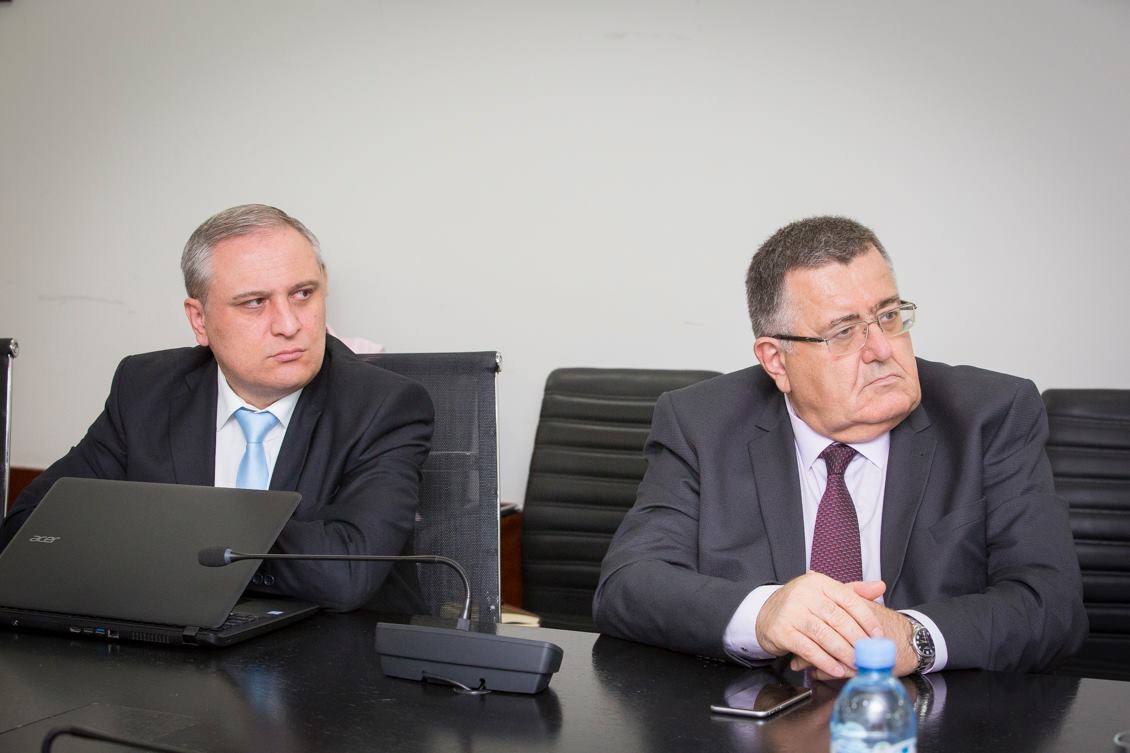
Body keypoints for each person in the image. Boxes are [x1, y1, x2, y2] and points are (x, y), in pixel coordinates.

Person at [594, 216, 1086, 677]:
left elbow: (1051, 604)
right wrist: (764, 614)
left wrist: (911, 638)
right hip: (757, 715)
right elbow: (629, 585)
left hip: (939, 716)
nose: (882, 349)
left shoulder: (989, 415)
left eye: (889, 316)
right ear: (776, 360)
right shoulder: (702, 423)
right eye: (844, 332)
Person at [0, 204, 434, 613]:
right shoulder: (146, 389)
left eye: (303, 293)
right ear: (199, 320)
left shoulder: (383, 406)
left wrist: (164, 538)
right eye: (254, 302)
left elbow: (346, 573)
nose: (289, 325)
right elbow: (30, 528)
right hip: (172, 644)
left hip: (326, 655)